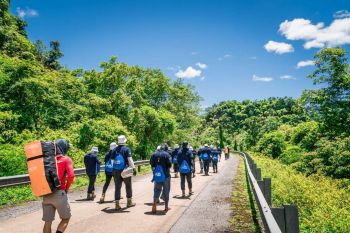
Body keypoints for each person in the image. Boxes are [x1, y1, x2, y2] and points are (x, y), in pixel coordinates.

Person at [43, 139, 74, 233]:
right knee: (66, 219)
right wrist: (67, 188)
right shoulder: (66, 159)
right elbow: (71, 175)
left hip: (46, 194)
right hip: (59, 193)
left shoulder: (47, 160)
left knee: (48, 222)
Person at [112, 135, 137, 210]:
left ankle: (117, 204)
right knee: (128, 186)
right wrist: (133, 168)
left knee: (117, 187)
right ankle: (129, 202)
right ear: (125, 141)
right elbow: (130, 159)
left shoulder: (114, 150)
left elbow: (112, 161)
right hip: (125, 170)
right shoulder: (126, 149)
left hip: (116, 171)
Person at [150, 144, 172, 213]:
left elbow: (151, 164)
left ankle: (154, 203)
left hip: (157, 175)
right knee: (166, 191)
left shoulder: (154, 154)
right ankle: (166, 207)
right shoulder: (166, 154)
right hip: (166, 176)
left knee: (157, 190)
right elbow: (169, 165)